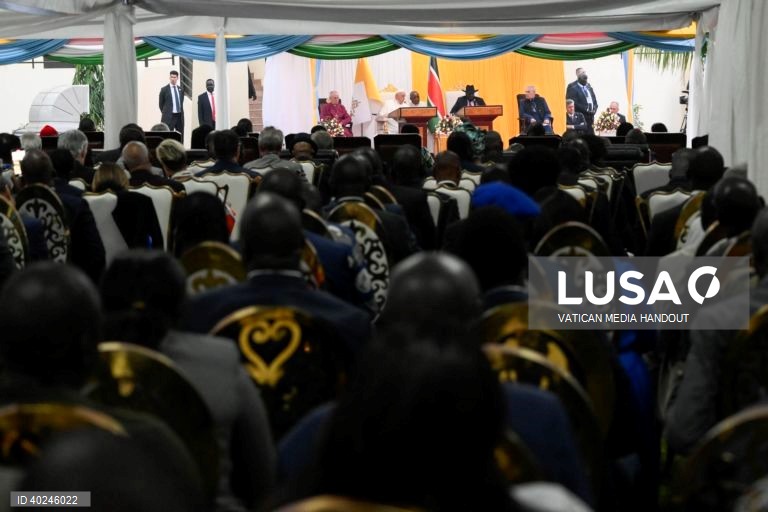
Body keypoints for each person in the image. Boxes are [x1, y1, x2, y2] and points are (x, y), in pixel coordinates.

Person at [100, 250, 277, 510]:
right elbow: (263, 478)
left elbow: (57, 494)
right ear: (181, 305)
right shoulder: (221, 361)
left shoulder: (76, 372)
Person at [566, 67, 598, 134]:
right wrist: (586, 110)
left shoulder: (588, 85)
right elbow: (572, 101)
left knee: (591, 135)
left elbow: (594, 99)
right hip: (581, 116)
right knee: (583, 136)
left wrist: (594, 109)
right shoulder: (572, 86)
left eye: (585, 72)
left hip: (591, 116)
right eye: (582, 72)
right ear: (577, 74)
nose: (585, 74)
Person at [158, 70, 184, 140]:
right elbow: (161, 104)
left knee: (180, 135)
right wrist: (166, 112)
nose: (173, 79)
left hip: (179, 116)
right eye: (171, 77)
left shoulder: (181, 89)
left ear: (177, 78)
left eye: (174, 77)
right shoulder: (164, 90)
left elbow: (181, 102)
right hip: (169, 116)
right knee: (168, 135)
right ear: (169, 77)